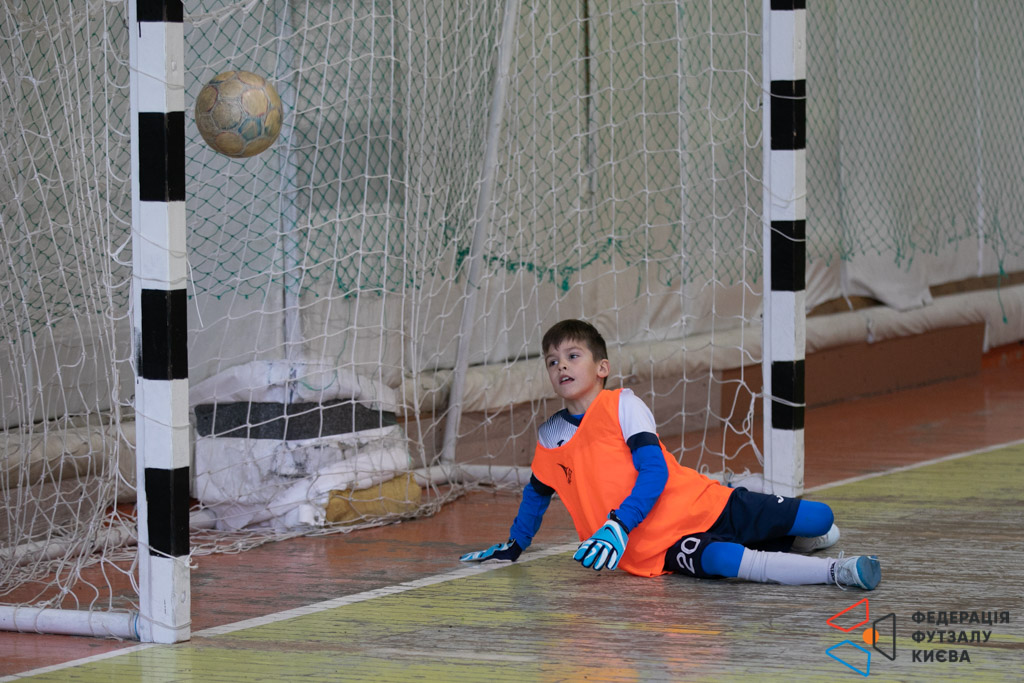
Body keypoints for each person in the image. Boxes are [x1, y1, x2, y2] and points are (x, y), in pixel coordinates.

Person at [459, 319, 881, 590]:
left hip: (703, 502)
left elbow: (654, 471)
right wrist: (515, 544)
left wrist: (618, 523)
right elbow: (537, 493)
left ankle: (787, 528)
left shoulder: (622, 405)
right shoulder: (550, 436)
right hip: (657, 545)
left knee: (821, 519)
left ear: (602, 368)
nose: (561, 367)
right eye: (552, 362)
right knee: (724, 559)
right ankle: (837, 572)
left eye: (572, 356)